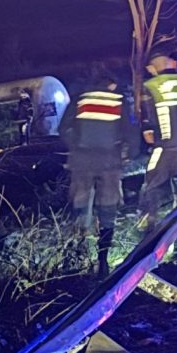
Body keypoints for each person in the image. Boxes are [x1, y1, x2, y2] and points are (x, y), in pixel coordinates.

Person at [138, 50, 177, 249]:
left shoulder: (150, 86)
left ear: (152, 67)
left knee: (151, 186)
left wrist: (148, 132)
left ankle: (147, 231)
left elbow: (148, 123)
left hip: (165, 147)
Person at [64, 76, 131, 261]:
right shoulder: (119, 102)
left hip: (82, 161)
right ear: (111, 85)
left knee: (81, 203)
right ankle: (103, 259)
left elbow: (63, 129)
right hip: (109, 163)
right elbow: (130, 131)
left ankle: (78, 251)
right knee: (108, 208)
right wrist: (127, 154)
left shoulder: (79, 99)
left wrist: (76, 146)